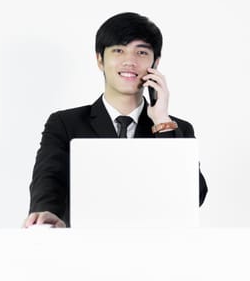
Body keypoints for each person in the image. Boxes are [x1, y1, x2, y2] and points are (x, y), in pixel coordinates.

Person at [24, 12, 208, 228]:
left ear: (155, 63)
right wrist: (45, 212)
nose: (129, 61)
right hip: (84, 245)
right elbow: (49, 177)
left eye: (141, 52)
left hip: (153, 246)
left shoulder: (176, 128)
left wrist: (162, 123)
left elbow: (194, 195)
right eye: (118, 50)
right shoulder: (65, 123)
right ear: (100, 59)